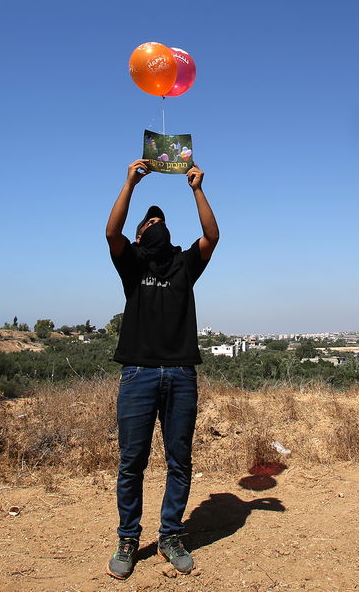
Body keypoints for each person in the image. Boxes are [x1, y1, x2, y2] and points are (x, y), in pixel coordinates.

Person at [104, 158, 219, 580]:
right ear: (140, 234)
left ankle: (171, 536)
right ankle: (128, 539)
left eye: (160, 219)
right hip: (138, 374)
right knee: (132, 461)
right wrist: (129, 184)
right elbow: (111, 233)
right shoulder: (132, 263)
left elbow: (212, 235)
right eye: (149, 221)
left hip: (182, 375)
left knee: (179, 461)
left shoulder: (183, 265)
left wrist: (197, 189)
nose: (156, 222)